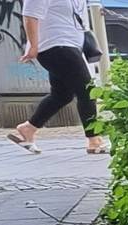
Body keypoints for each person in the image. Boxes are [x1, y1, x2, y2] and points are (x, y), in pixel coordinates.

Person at [8, 0, 105, 155]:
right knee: (87, 90)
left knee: (62, 95)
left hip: (71, 45)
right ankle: (94, 140)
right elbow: (30, 16)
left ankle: (28, 128)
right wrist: (33, 46)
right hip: (54, 45)